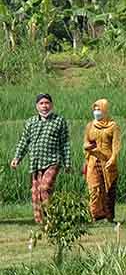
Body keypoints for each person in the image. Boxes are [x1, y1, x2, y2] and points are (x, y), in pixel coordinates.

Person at [10, 94, 71, 224]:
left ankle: (52, 217)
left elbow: (65, 143)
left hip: (53, 161)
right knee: (35, 192)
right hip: (35, 163)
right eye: (41, 103)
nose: (44, 106)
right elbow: (24, 141)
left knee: (44, 188)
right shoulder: (31, 122)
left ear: (51, 105)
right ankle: (40, 221)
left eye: (47, 103)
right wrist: (17, 158)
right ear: (37, 106)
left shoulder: (59, 120)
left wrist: (67, 163)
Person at [83, 98, 121, 221]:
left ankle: (108, 215)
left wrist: (113, 158)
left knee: (108, 188)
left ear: (105, 110)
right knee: (94, 188)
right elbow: (86, 142)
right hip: (93, 161)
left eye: (99, 109)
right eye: (95, 109)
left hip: (107, 161)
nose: (97, 112)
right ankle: (95, 214)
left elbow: (116, 145)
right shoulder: (90, 126)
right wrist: (88, 147)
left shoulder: (113, 126)